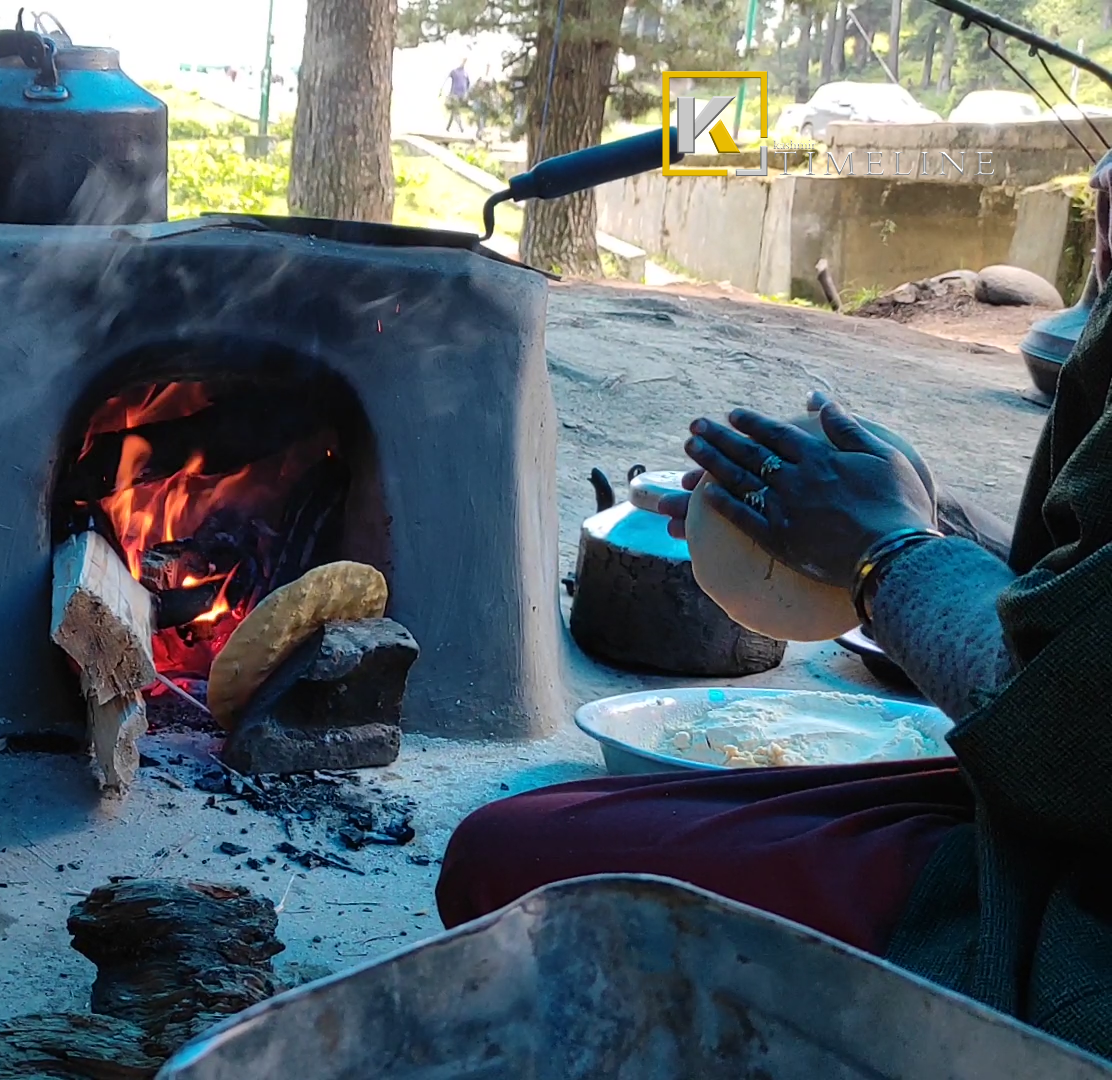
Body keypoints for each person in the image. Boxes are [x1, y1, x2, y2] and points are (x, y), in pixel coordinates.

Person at [435, 160, 1112, 1058]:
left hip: (1078, 906)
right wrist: (919, 510)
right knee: (536, 827)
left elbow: (1067, 724)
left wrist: (888, 551)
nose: (1103, 175)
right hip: (1038, 813)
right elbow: (1074, 588)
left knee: (515, 869)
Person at [444, 59, 471, 134]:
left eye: (465, 62)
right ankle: (461, 128)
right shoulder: (454, 72)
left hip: (461, 96)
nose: (463, 63)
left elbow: (468, 85)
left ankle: (448, 127)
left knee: (454, 111)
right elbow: (447, 79)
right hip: (454, 94)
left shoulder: (465, 73)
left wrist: (466, 94)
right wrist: (445, 92)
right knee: (456, 110)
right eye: (463, 61)